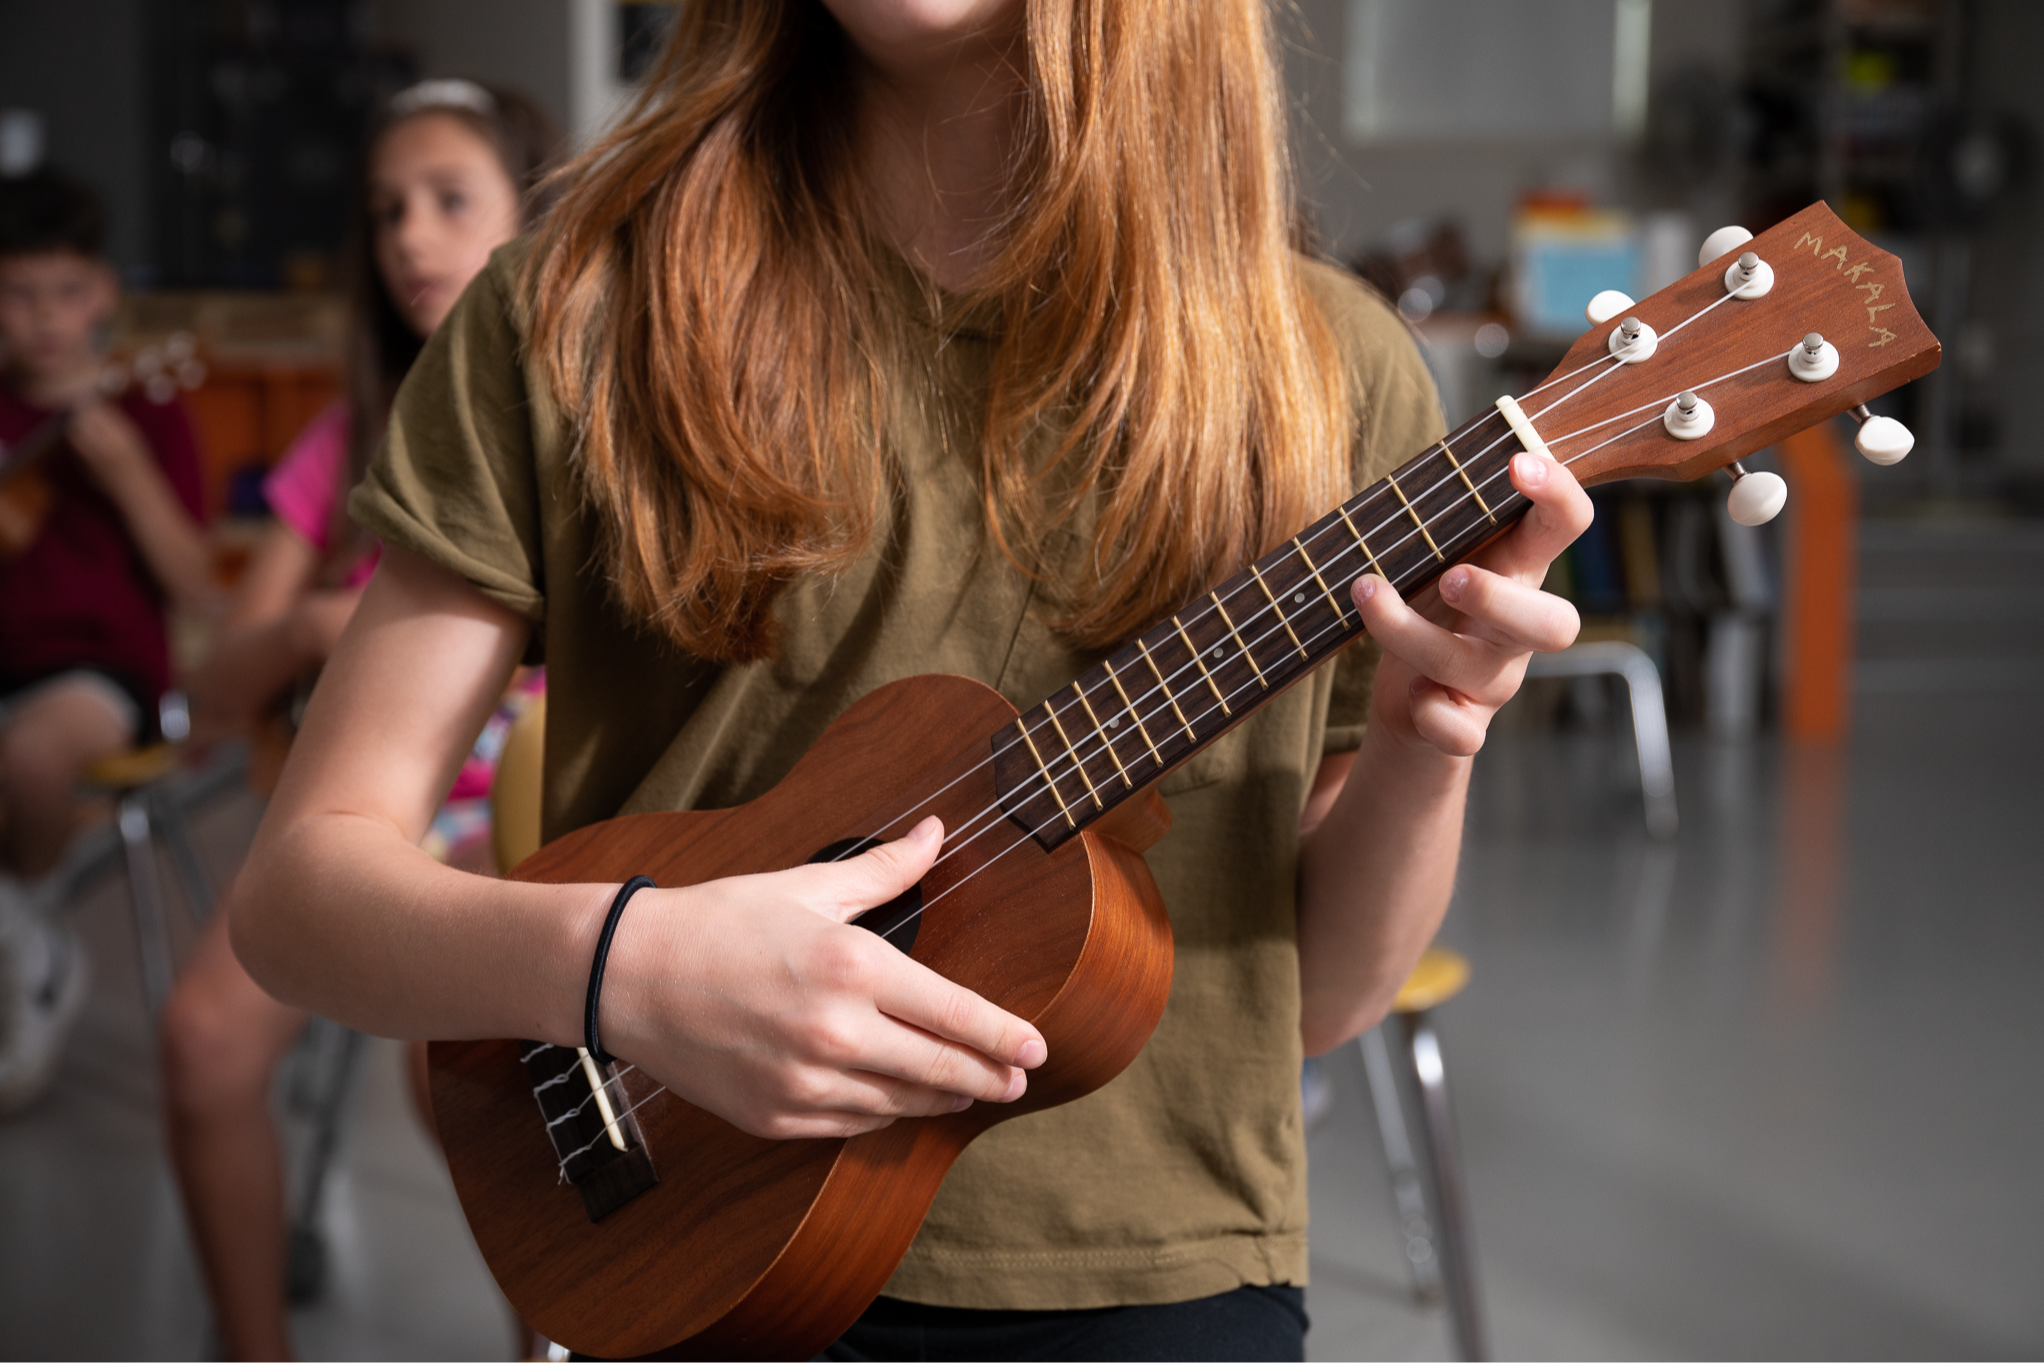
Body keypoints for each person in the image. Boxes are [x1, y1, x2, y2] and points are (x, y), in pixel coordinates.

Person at [231, 5, 1591, 1360]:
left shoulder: (1324, 372)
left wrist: (1432, 736)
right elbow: (299, 896)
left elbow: (1322, 999)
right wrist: (624, 968)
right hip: (689, 1255)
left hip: (1156, 1265)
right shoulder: (570, 310)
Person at [161, 80, 557, 1363]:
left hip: (526, 807)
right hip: (361, 811)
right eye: (388, 210)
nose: (409, 238)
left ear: (535, 215)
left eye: (450, 201)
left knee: (462, 1066)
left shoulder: (573, 417)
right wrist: (318, 629)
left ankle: (543, 1340)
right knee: (204, 1036)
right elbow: (218, 684)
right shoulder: (347, 439)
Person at [0, 166, 210, 1110]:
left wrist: (128, 476)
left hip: (105, 678)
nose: (45, 316)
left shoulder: (148, 410)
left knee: (32, 758)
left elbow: (195, 585)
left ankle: (27, 937)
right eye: (17, 292)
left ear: (105, 292)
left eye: (67, 290)